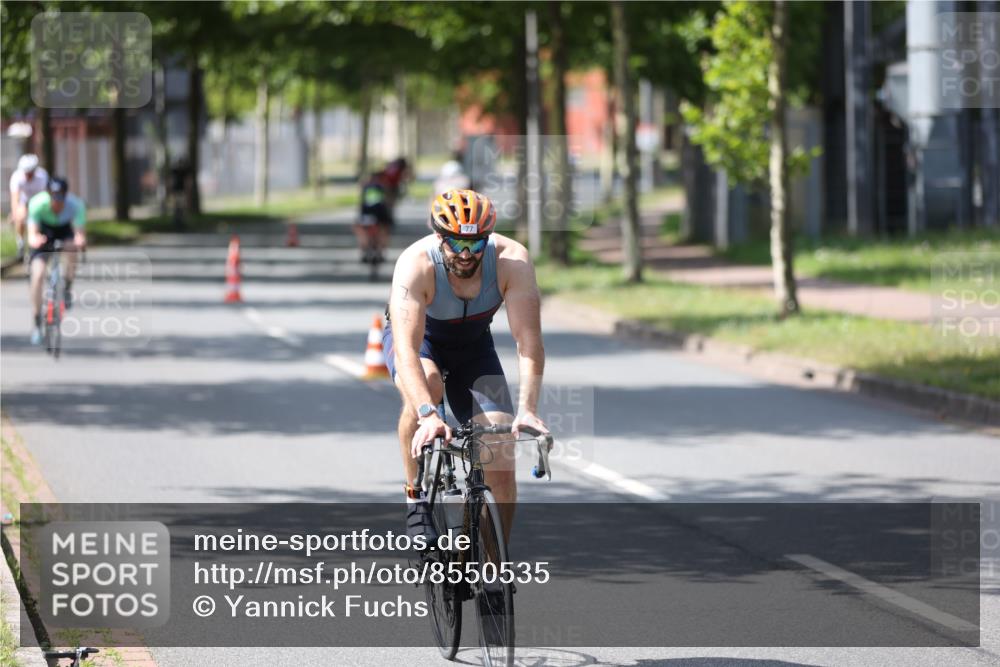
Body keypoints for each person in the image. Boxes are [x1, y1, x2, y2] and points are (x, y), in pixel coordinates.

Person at [383, 188, 548, 545]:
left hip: (473, 347)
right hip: (421, 343)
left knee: (501, 449)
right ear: (439, 237)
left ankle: (490, 567)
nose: (466, 255)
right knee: (428, 386)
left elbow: (528, 341)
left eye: (476, 246)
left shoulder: (512, 260)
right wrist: (429, 414)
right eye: (456, 244)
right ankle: (415, 495)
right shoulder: (416, 264)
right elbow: (407, 351)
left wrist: (528, 410)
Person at [26, 177, 87, 345]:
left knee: (72, 249)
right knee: (37, 276)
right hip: (44, 232)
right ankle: (37, 320)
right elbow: (32, 233)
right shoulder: (37, 204)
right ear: (48, 195)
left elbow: (79, 233)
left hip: (64, 230)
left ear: (66, 196)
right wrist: (35, 239)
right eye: (53, 197)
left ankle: (67, 285)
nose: (57, 202)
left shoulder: (75, 205)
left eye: (60, 197)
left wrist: (79, 240)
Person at [8, 154, 49, 260]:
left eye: (30, 174)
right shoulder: (16, 177)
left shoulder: (42, 176)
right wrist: (14, 213)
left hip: (38, 201)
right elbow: (15, 199)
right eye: (26, 173)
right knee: (20, 215)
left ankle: (37, 244)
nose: (27, 176)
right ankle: (20, 242)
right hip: (24, 201)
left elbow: (45, 197)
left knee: (40, 221)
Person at [354, 171, 393, 262]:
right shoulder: (383, 186)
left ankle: (363, 249)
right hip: (380, 213)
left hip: (366, 213)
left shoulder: (365, 186)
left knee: (361, 229)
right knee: (385, 229)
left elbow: (361, 203)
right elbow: (387, 201)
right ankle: (381, 250)